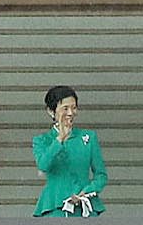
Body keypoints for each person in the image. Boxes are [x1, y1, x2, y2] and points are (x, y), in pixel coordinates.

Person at [31, 86, 105, 217]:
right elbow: (43, 165)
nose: (70, 113)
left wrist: (88, 191)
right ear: (51, 111)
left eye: (74, 107)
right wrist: (59, 139)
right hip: (55, 207)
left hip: (84, 207)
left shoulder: (88, 137)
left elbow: (101, 175)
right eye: (65, 108)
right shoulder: (42, 140)